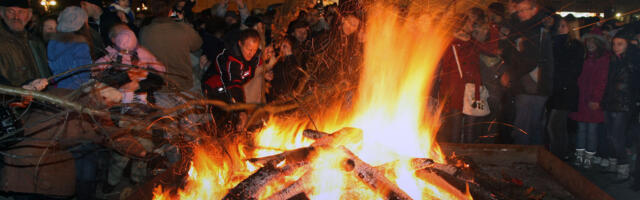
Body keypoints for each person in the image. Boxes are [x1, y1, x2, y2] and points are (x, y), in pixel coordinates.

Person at [500, 0, 554, 145]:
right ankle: (532, 159)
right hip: (531, 85)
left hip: (532, 85)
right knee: (532, 126)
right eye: (519, 11)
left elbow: (530, 59)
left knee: (524, 127)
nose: (521, 14)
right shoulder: (527, 28)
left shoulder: (534, 30)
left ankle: (524, 160)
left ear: (534, 9)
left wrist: (510, 74)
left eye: (524, 10)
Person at [202, 29, 262, 130]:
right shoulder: (232, 60)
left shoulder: (255, 56)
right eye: (248, 49)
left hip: (231, 88)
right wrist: (242, 110)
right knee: (225, 121)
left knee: (237, 118)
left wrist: (267, 71)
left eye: (254, 49)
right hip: (216, 88)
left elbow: (260, 64)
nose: (251, 53)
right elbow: (235, 84)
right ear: (240, 44)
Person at [601, 31, 640, 180]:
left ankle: (623, 166)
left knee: (617, 137)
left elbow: (633, 85)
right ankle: (614, 163)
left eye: (620, 44)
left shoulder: (631, 61)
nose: (615, 47)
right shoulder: (613, 60)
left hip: (623, 104)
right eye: (614, 44)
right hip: (611, 102)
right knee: (610, 135)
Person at [140, 0, 202, 93]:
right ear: (170, 11)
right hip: (183, 85)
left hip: (158, 87)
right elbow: (198, 44)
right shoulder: (184, 29)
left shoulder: (144, 32)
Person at [569, 33, 610, 168]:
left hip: (592, 100)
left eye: (593, 42)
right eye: (588, 41)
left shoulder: (603, 59)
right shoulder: (584, 57)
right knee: (581, 128)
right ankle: (580, 154)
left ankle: (589, 157)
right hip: (582, 98)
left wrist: (596, 99)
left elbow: (601, 81)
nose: (590, 44)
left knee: (591, 129)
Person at [547, 17, 584, 160]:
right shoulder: (558, 43)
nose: (560, 29)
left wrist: (561, 85)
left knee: (555, 125)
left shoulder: (574, 46)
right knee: (558, 126)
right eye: (559, 26)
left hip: (565, 90)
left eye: (564, 26)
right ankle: (559, 154)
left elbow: (572, 70)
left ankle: (558, 155)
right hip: (558, 89)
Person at [0, 0, 51, 88]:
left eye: (21, 12)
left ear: (29, 15)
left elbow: (45, 74)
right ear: (2, 13)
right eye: (11, 11)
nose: (16, 17)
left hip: (39, 99)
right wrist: (22, 89)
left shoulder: (35, 42)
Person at [47, 6, 94, 90]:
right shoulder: (80, 45)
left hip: (60, 88)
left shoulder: (53, 42)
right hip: (76, 91)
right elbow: (82, 72)